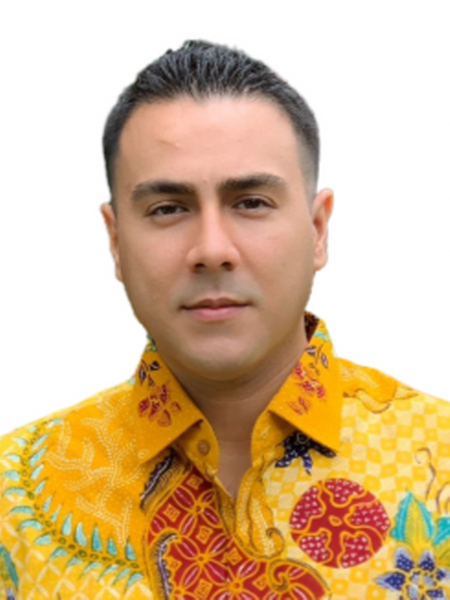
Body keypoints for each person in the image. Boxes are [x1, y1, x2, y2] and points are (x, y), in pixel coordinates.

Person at [1, 40, 449, 600]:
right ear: (115, 241)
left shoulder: (441, 464)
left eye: (251, 202)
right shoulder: (13, 499)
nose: (212, 249)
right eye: (168, 209)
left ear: (317, 230)